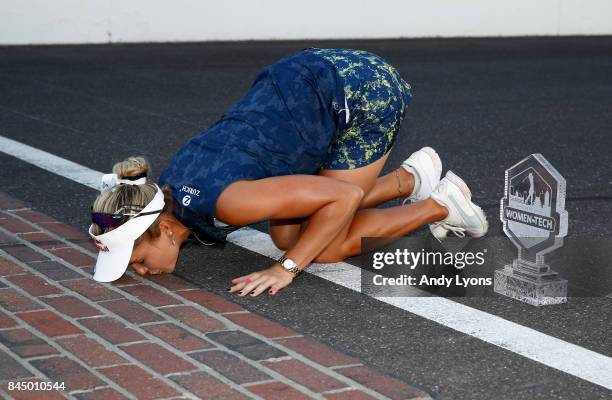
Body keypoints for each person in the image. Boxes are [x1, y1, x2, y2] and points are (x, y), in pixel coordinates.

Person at [88, 47, 488, 297]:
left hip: (360, 91)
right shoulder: (174, 187)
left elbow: (342, 197)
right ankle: (409, 179)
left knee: (322, 247)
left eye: (137, 258)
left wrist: (286, 270)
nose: (141, 270)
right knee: (289, 233)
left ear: (168, 229)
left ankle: (441, 204)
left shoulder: (229, 202)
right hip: (303, 80)